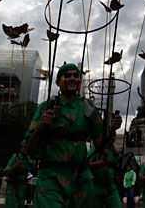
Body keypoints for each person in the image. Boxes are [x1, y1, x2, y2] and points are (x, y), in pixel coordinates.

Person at [25, 62, 122, 207]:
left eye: (76, 76)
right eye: (67, 75)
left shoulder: (89, 109)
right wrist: (40, 128)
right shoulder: (46, 108)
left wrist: (113, 129)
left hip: (81, 181)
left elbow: (100, 144)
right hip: (51, 180)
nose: (72, 79)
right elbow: (28, 149)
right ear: (58, 82)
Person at [89, 132, 122, 208]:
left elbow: (116, 166)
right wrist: (96, 164)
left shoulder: (115, 151)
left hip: (111, 188)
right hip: (97, 189)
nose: (113, 139)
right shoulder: (95, 149)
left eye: (114, 137)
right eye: (111, 136)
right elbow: (85, 165)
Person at [4, 142, 31, 208]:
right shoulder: (15, 158)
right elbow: (6, 173)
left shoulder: (28, 159)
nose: (25, 149)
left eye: (27, 147)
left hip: (23, 187)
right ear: (20, 148)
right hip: (13, 186)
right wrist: (16, 166)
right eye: (23, 147)